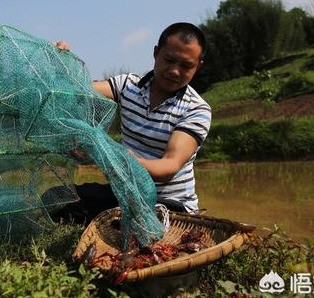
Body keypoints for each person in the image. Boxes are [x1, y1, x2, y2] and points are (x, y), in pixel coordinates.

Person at [53, 22, 211, 222]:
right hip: (126, 192)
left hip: (169, 203)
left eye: (186, 66)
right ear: (156, 53)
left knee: (128, 228)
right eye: (169, 60)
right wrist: (63, 65)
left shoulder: (196, 109)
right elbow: (81, 90)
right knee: (57, 198)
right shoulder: (128, 85)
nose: (175, 71)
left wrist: (130, 162)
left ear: (198, 66)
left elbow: (169, 166)